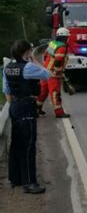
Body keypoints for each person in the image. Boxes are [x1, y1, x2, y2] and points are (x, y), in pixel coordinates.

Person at [3, 40, 51, 194]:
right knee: (28, 145)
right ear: (27, 52)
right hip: (26, 106)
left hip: (15, 106)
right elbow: (47, 74)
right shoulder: (28, 67)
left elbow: (6, 89)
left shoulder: (8, 67)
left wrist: (13, 106)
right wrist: (35, 60)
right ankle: (29, 182)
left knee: (16, 143)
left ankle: (15, 178)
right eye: (30, 51)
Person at [36, 28, 72, 118]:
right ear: (65, 37)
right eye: (68, 37)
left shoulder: (52, 43)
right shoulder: (62, 47)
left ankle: (36, 109)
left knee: (43, 91)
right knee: (55, 92)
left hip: (45, 71)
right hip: (53, 73)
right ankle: (59, 112)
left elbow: (45, 56)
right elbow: (58, 60)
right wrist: (58, 72)